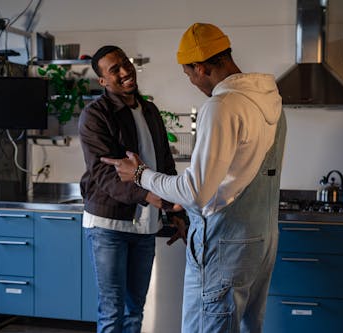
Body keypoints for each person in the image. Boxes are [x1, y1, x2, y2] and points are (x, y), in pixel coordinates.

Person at [101, 23, 287, 333]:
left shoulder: (222, 105)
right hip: (260, 239)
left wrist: (140, 174)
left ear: (200, 67)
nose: (193, 83)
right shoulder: (271, 100)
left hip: (224, 243)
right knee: (245, 327)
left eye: (189, 75)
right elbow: (238, 176)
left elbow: (196, 191)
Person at [78, 45, 187, 333]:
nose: (125, 71)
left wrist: (176, 213)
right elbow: (104, 174)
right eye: (115, 69)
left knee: (134, 311)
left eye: (125, 63)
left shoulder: (149, 110)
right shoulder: (95, 115)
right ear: (103, 81)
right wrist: (150, 196)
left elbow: (164, 162)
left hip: (145, 226)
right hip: (108, 225)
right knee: (112, 312)